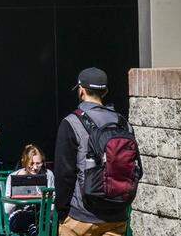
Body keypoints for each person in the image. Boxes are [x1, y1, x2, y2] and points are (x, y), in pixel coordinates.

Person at [54, 68, 138, 236]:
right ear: (105, 91)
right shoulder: (123, 123)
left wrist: (62, 212)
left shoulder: (71, 123)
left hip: (80, 217)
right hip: (116, 216)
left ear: (81, 90)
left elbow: (64, 174)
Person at [4, 144, 55, 236]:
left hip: (42, 215)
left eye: (38, 163)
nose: (35, 167)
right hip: (20, 216)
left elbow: (52, 203)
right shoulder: (14, 177)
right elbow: (7, 209)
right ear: (25, 161)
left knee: (43, 223)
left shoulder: (48, 174)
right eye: (31, 163)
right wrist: (17, 191)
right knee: (32, 222)